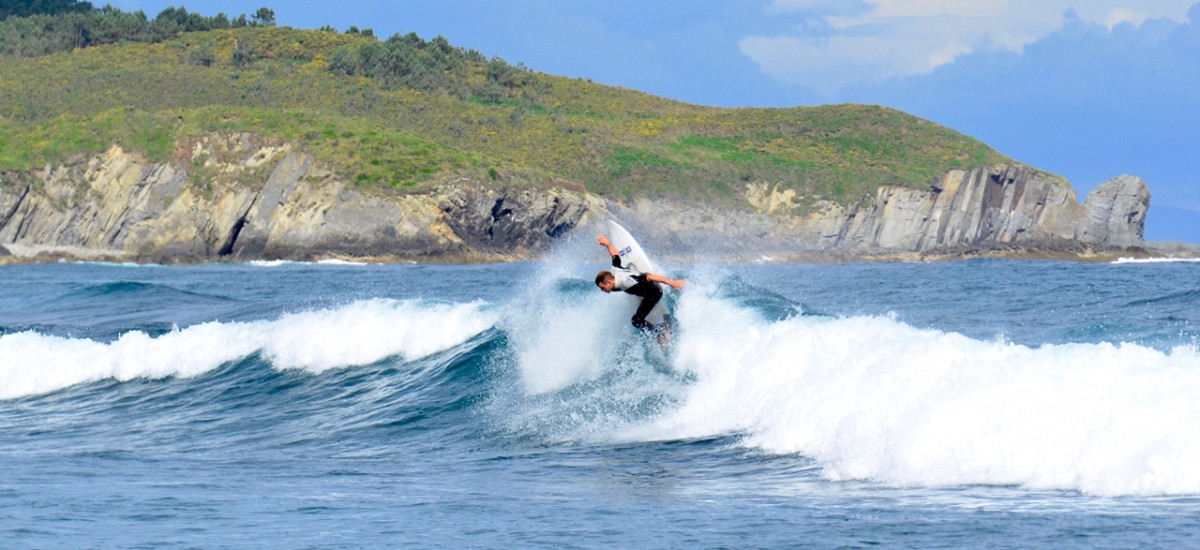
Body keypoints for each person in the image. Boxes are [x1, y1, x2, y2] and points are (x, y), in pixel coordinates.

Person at [594, 235, 685, 338]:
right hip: (643, 291)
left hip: (653, 293)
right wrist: (607, 243)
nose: (602, 290)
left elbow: (649, 277)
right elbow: (615, 254)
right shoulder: (615, 271)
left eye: (602, 287)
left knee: (636, 320)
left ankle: (659, 336)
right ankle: (660, 325)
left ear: (609, 282)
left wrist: (671, 283)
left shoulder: (625, 281)